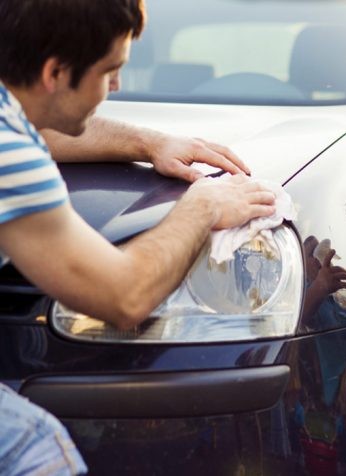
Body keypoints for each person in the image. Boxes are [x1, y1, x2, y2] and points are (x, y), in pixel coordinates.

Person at [0, 0, 276, 474]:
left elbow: (38, 129)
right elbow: (125, 294)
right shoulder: (13, 159)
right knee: (39, 450)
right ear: (55, 71)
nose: (117, 86)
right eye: (109, 70)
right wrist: (203, 205)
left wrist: (149, 143)